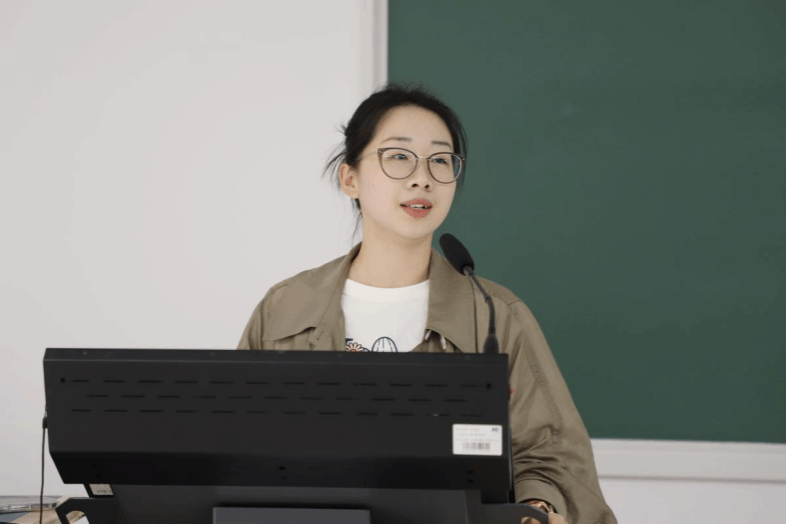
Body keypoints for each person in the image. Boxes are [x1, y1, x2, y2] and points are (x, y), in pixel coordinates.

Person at [237, 83, 617, 524]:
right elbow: (233, 450)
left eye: (440, 160)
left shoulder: (495, 314)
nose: (423, 178)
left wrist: (537, 509)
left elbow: (550, 455)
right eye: (399, 156)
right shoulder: (285, 307)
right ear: (350, 179)